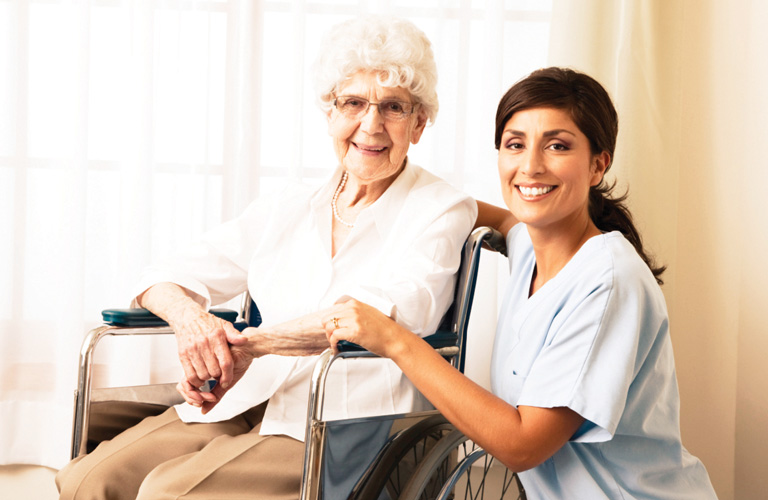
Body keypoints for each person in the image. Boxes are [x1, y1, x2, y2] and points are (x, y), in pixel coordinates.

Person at [56, 16, 477, 500]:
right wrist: (195, 326)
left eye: (394, 107)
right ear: (329, 113)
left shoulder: (440, 209)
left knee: (166, 494)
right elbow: (166, 276)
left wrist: (249, 346)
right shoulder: (290, 205)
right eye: (354, 103)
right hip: (247, 395)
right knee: (87, 482)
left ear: (419, 124)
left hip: (339, 418)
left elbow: (375, 317)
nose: (371, 125)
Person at [325, 67, 718, 499]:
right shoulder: (531, 245)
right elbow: (486, 213)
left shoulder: (608, 282)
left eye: (557, 146)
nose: (530, 166)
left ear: (597, 165)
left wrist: (395, 340)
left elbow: (523, 444)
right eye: (515, 145)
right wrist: (381, 184)